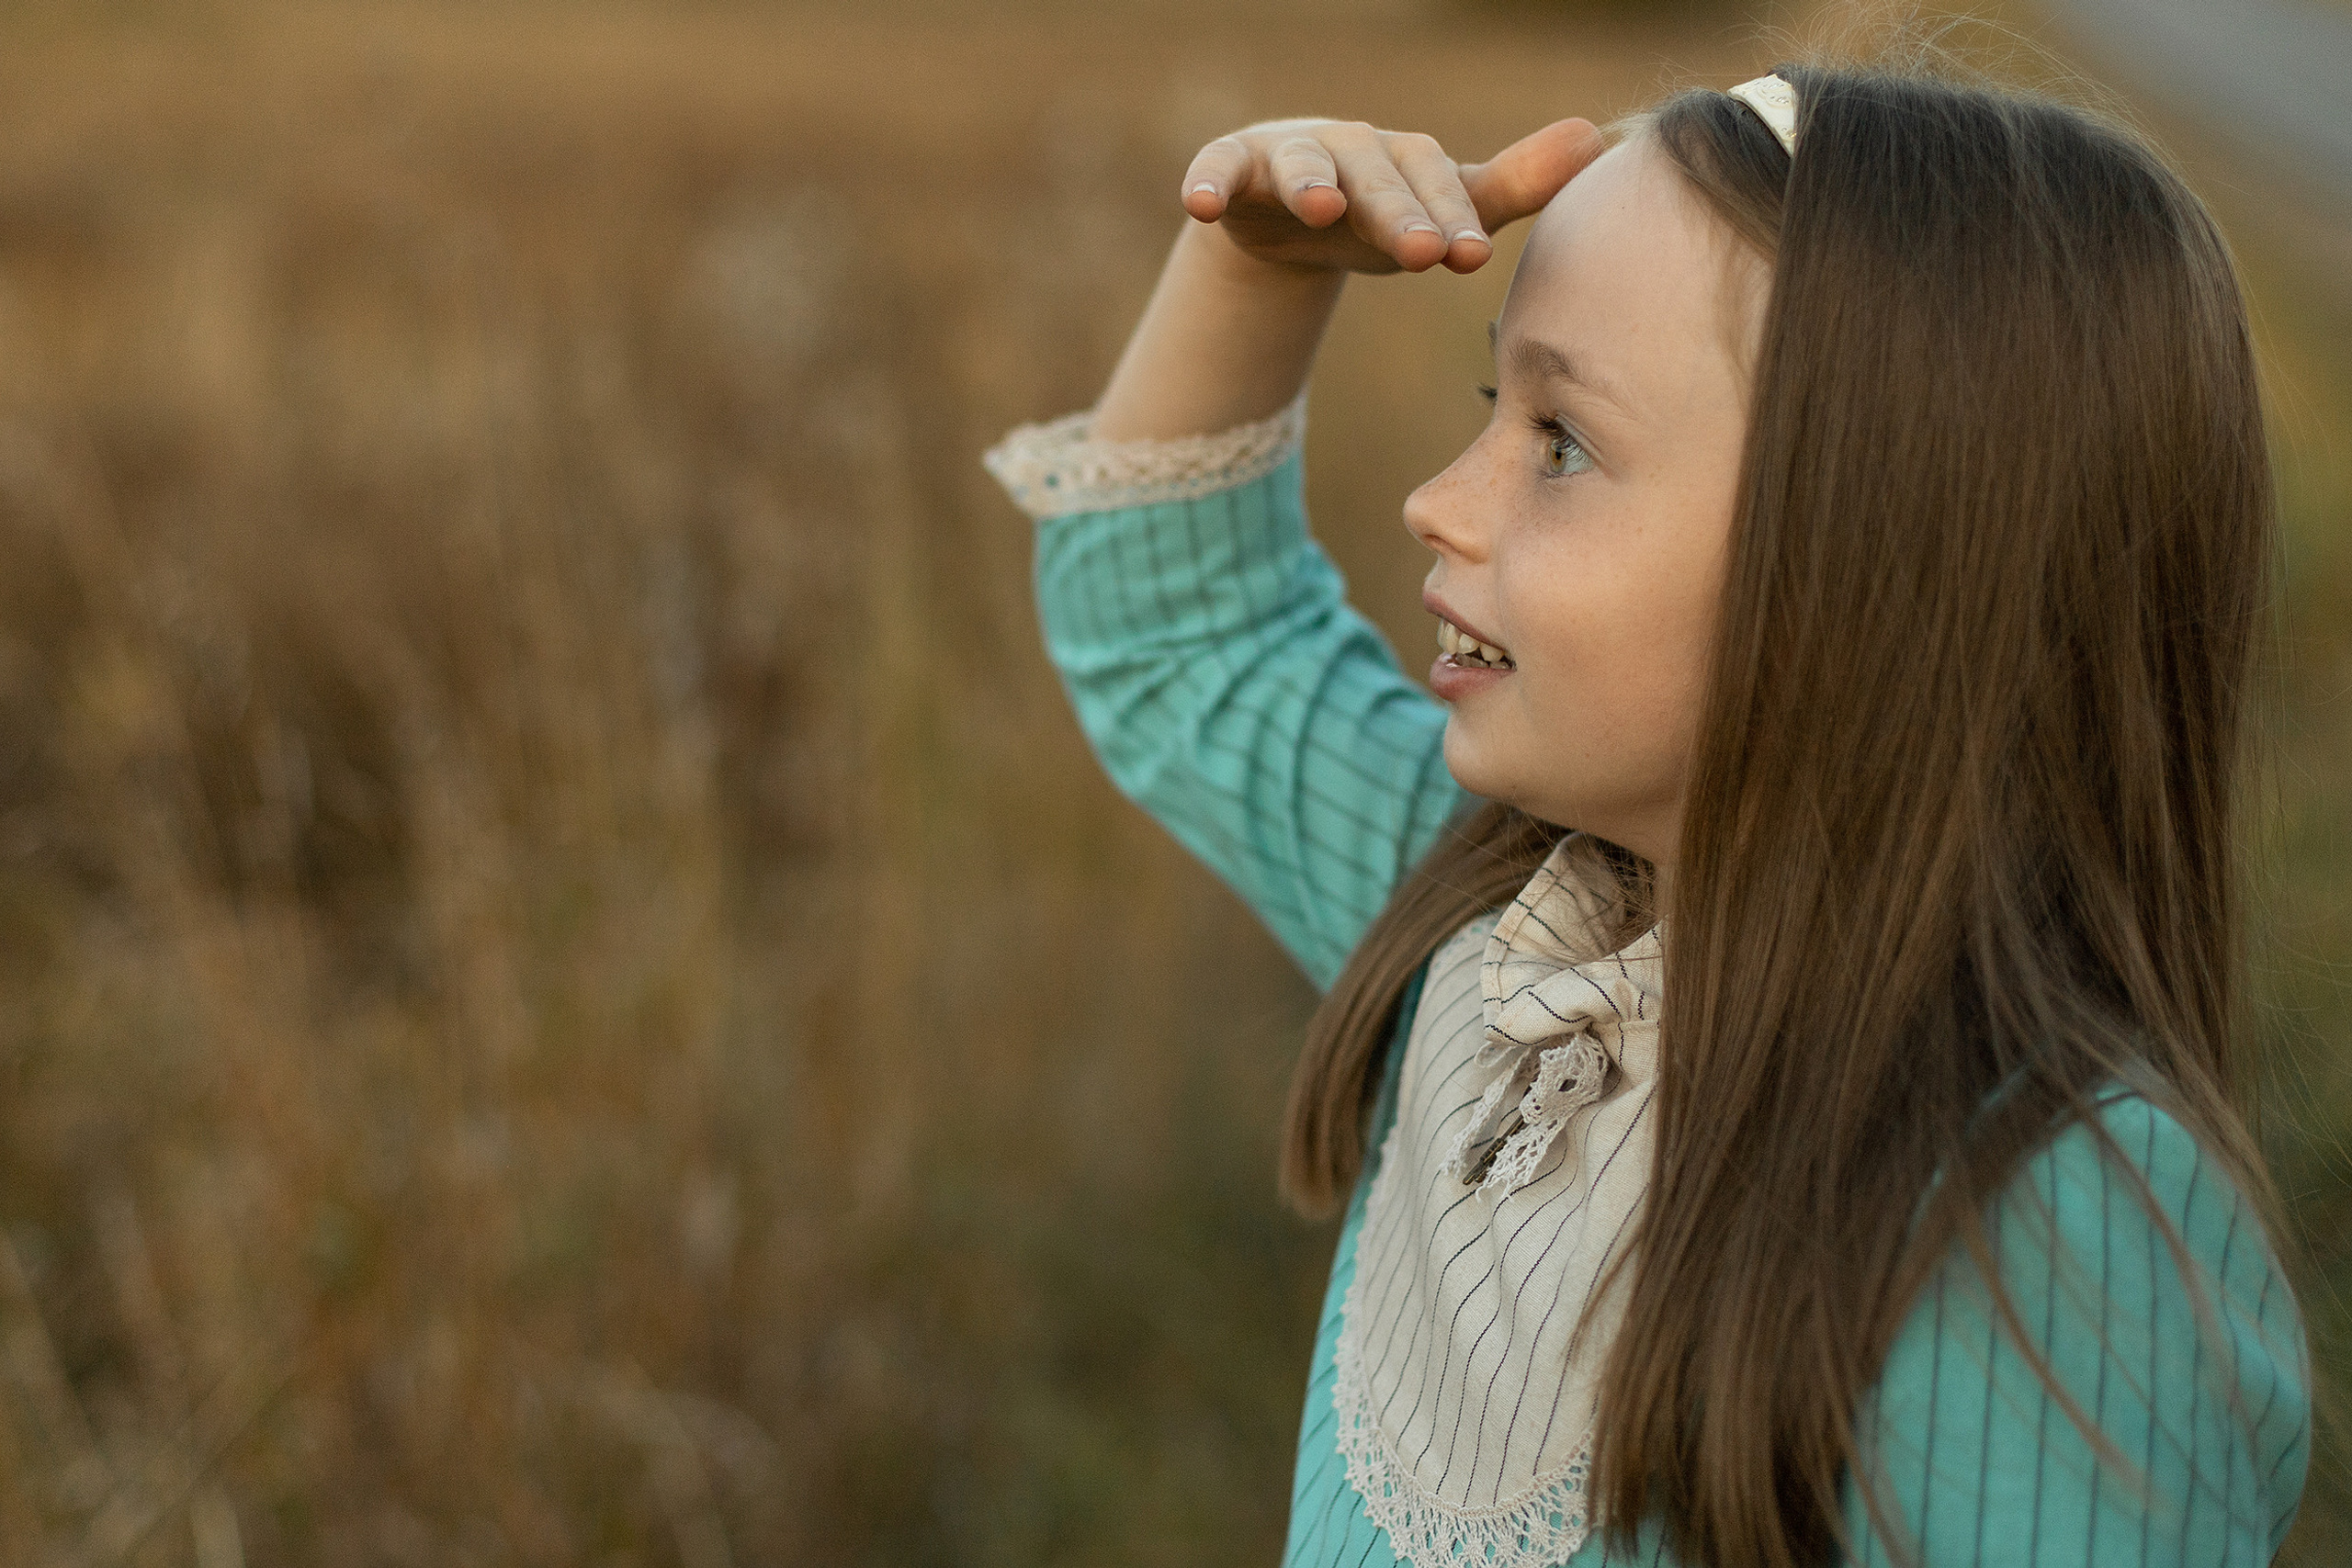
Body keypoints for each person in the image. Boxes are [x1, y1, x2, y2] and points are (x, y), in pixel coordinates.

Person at [979, 54, 2312, 1568]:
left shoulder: (2048, 1244)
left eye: (1562, 442)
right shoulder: (1496, 937)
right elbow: (1179, 633)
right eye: (1496, 404)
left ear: (1879, 572)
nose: (1438, 500)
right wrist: (1259, 268)